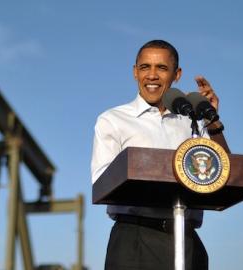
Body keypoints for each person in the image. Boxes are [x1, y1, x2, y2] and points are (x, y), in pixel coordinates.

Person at [91, 40, 225, 270]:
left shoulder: (192, 121)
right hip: (135, 239)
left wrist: (212, 121)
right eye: (145, 67)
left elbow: (222, 171)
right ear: (135, 72)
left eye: (161, 68)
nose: (152, 75)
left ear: (177, 74)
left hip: (187, 239)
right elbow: (102, 183)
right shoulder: (112, 120)